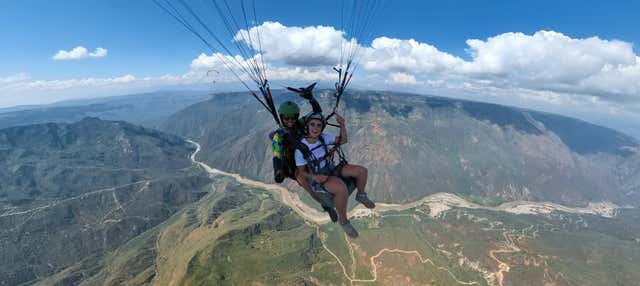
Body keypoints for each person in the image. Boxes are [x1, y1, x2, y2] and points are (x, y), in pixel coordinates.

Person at [295, 112, 375, 238]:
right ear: (308, 126)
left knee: (362, 171)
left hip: (331, 169)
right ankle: (343, 221)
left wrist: (342, 124)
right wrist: (314, 177)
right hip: (320, 178)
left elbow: (343, 140)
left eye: (318, 126)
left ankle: (361, 195)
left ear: (322, 128)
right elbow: (301, 172)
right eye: (312, 125)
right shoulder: (301, 149)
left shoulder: (323, 138)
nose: (315, 128)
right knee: (341, 188)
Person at [270, 86, 339, 222]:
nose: (290, 121)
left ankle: (337, 195)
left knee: (329, 176)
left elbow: (317, 113)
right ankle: (327, 206)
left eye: (292, 118)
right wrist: (278, 170)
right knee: (310, 188)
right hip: (295, 168)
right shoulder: (279, 136)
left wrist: (311, 98)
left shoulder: (301, 124)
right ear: (282, 118)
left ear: (296, 117)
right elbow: (276, 154)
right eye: (286, 118)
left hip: (311, 159)